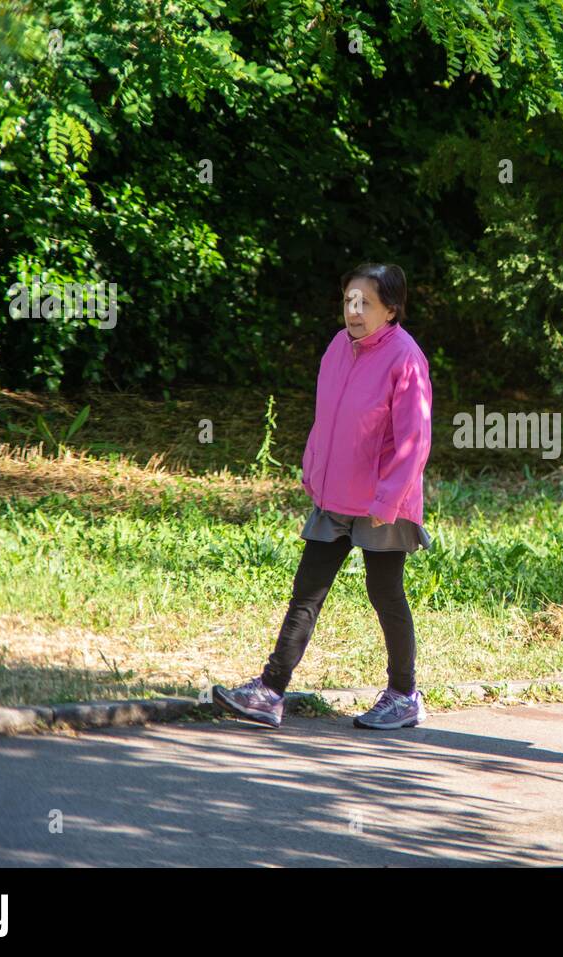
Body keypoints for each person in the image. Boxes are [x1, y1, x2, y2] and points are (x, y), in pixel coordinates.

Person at [213, 262, 433, 731]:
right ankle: (270, 691)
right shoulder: (338, 347)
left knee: (385, 594)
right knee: (306, 592)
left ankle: (404, 694)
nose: (354, 311)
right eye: (349, 301)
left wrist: (387, 503)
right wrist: (314, 472)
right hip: (335, 497)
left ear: (391, 309)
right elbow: (326, 419)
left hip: (382, 504)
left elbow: (415, 440)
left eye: (365, 303)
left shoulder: (405, 358)